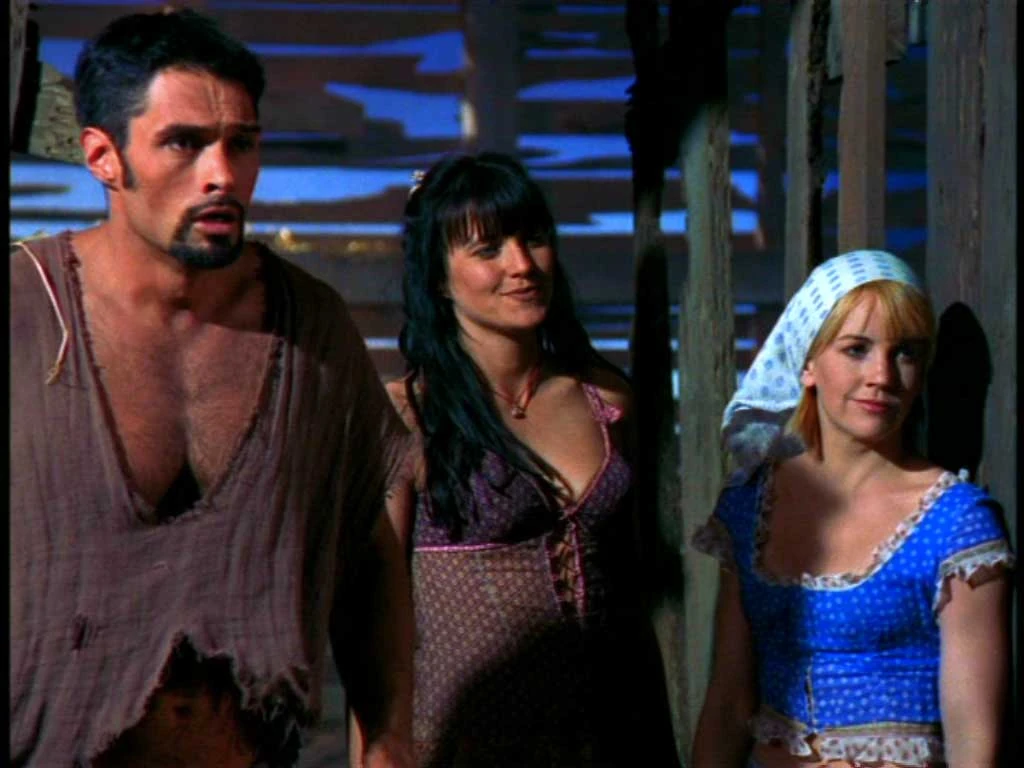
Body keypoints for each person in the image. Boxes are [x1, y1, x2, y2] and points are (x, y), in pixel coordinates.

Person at [9, 10, 413, 768]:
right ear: (103, 156)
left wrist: (389, 742)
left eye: (242, 143)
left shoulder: (310, 331)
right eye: (184, 143)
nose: (222, 173)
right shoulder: (27, 316)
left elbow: (366, 554)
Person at [382, 152, 679, 766]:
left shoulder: (606, 398)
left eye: (534, 239)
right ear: (438, 276)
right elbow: (374, 616)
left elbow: (634, 590)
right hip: (467, 744)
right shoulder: (407, 416)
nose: (522, 265)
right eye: (488, 249)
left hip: (614, 736)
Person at [691, 250, 1014, 768]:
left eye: (905, 353)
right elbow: (728, 704)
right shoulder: (750, 505)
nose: (882, 375)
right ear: (808, 363)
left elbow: (974, 737)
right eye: (857, 349)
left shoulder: (955, 521)